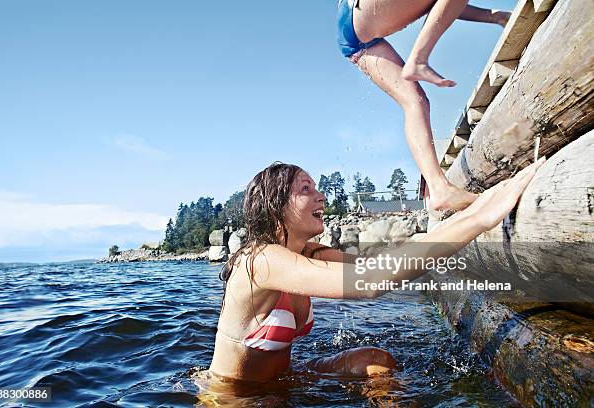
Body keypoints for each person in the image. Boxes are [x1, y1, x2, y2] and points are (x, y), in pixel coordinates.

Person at [197, 158, 545, 401]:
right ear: (276, 206)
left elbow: (383, 264)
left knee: (375, 360)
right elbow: (370, 282)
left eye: (317, 188)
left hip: (284, 381)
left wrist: (475, 210)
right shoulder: (260, 261)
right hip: (233, 396)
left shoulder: (310, 252)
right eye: (306, 189)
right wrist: (482, 218)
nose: (321, 196)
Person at [336, 0, 511, 212]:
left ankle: (439, 190)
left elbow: (443, 6)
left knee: (415, 102)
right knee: (413, 100)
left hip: (355, 34)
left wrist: (495, 16)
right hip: (358, 12)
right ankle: (418, 60)